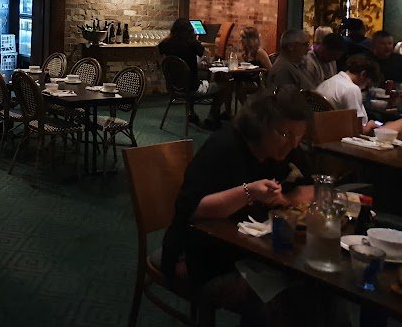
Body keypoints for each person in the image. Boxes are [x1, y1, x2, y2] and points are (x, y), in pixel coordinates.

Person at [161, 87, 314, 326]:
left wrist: (286, 198)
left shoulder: (287, 150)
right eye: (285, 134)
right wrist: (248, 192)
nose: (293, 144)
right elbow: (193, 210)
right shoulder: (224, 147)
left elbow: (312, 188)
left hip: (254, 253)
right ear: (261, 124)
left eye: (300, 136)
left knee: (317, 289)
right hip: (203, 256)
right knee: (276, 302)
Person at [158, 18, 230, 128]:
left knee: (187, 79)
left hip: (174, 86)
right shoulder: (192, 43)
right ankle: (211, 117)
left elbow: (158, 56)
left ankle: (191, 113)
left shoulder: (165, 43)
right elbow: (207, 54)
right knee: (225, 86)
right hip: (192, 88)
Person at [316, 54, 402, 135]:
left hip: (319, 131)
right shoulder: (351, 88)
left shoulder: (329, 81)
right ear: (363, 74)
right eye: (367, 83)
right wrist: (370, 125)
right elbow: (357, 129)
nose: (365, 87)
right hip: (335, 135)